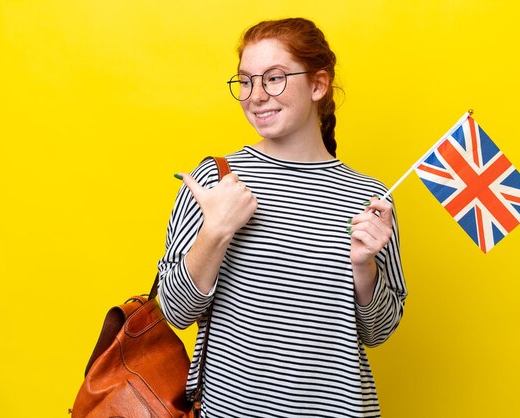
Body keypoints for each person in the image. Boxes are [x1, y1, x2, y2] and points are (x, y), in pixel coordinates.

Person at [158, 17, 407, 417]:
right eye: (245, 81)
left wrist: (364, 269)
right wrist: (216, 231)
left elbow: (378, 332)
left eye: (273, 78)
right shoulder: (215, 180)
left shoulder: (369, 198)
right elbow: (175, 311)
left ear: (317, 85)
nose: (256, 95)